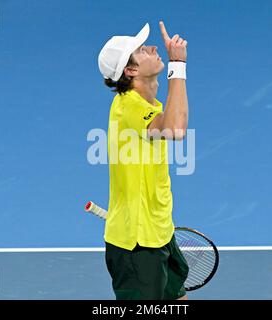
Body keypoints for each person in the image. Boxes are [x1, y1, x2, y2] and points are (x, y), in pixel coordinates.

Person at [97, 21, 189, 300]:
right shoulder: (131, 108)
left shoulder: (148, 105)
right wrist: (177, 65)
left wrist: (177, 69)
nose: (152, 47)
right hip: (136, 244)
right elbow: (175, 130)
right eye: (142, 50)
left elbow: (177, 121)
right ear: (131, 70)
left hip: (159, 230)